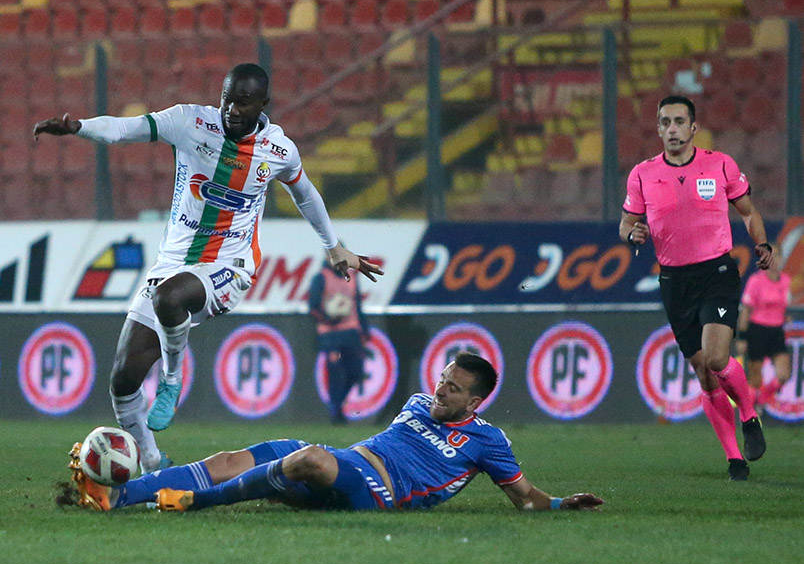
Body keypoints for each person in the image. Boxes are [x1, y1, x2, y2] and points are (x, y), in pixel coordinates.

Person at [34, 63, 383, 473]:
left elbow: (304, 193)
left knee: (170, 298)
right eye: (227, 99)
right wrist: (80, 128)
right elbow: (126, 129)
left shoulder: (278, 150)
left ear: (263, 105)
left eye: (243, 102)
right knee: (123, 379)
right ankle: (152, 461)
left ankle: (171, 378)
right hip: (173, 261)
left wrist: (333, 246)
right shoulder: (189, 122)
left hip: (231, 265)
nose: (232, 109)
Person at [61, 353, 604, 514]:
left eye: (454, 390)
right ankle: (116, 494)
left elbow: (523, 498)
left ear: (476, 401)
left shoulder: (489, 442)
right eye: (441, 380)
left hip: (378, 491)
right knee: (243, 454)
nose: (440, 392)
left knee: (311, 461)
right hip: (353, 459)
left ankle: (187, 503)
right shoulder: (418, 403)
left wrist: (558, 505)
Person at [619, 94, 773, 481]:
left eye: (678, 122)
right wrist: (633, 233)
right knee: (704, 374)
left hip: (717, 273)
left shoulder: (719, 165)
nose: (671, 129)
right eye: (665, 123)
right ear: (658, 129)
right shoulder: (642, 174)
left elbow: (749, 211)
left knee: (718, 358)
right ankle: (734, 458)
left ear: (693, 127)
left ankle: (749, 413)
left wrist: (763, 243)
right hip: (674, 281)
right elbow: (626, 224)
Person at [308, 255, 370, 424]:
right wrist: (328, 319)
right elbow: (313, 307)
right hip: (330, 334)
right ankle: (336, 410)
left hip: (351, 330)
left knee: (356, 371)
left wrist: (364, 330)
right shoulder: (320, 278)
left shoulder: (351, 277)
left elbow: (357, 305)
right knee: (335, 371)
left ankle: (338, 403)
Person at [736, 242, 792, 408]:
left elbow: (784, 306)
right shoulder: (755, 281)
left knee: (783, 374)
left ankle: (762, 398)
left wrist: (785, 317)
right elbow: (746, 311)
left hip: (776, 332)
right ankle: (750, 414)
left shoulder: (786, 281)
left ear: (781, 258)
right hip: (757, 330)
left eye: (776, 255)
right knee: (755, 378)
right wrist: (742, 338)